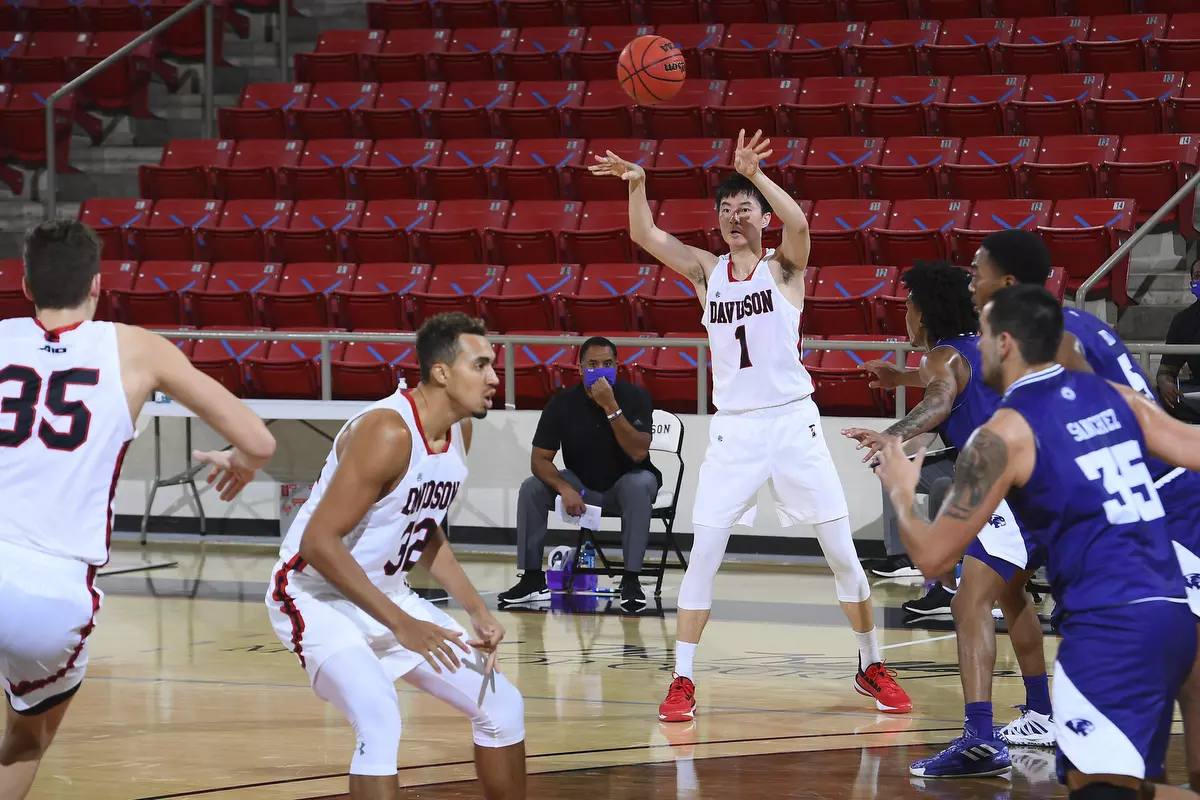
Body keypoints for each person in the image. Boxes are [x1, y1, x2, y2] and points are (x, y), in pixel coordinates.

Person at [588, 129, 911, 721]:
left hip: (792, 424)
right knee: (704, 551)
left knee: (843, 554)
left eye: (745, 209)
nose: (734, 218)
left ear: (762, 214)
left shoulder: (784, 268)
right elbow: (645, 234)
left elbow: (802, 227)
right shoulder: (706, 271)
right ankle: (682, 679)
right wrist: (637, 185)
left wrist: (758, 176)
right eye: (726, 210)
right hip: (734, 430)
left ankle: (869, 663)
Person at [874, 284, 1200, 800]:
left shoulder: (1002, 435)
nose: (970, 347)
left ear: (1005, 344)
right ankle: (1033, 715)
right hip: (1176, 610)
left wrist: (899, 493)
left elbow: (933, 556)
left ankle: (986, 733)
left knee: (1102, 790)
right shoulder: (1112, 399)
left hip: (1107, 626)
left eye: (979, 337)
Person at [0, 220, 276, 800]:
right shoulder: (134, 347)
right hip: (49, 587)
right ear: (97, 286)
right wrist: (241, 461)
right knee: (27, 737)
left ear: (24, 286)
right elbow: (259, 441)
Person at [265, 312, 526, 800]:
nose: (495, 377)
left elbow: (423, 528)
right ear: (441, 372)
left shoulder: (458, 431)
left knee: (503, 705)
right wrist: (403, 624)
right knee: (380, 714)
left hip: (383, 594)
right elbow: (317, 543)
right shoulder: (387, 431)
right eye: (482, 365)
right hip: (313, 595)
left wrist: (476, 609)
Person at [844, 260, 1036, 778]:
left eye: (907, 305)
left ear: (923, 311)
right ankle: (1041, 711)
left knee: (969, 604)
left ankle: (979, 739)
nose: (903, 314)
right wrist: (902, 375)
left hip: (1005, 490)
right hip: (1042, 486)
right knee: (1013, 595)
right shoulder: (980, 346)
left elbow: (938, 400)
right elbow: (952, 380)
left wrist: (892, 435)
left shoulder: (940, 357)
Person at [498, 336, 661, 611]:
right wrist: (564, 488)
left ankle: (631, 580)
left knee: (640, 483)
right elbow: (539, 460)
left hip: (626, 484)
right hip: (582, 485)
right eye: (593, 364)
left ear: (617, 365)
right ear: (580, 368)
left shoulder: (635, 397)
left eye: (607, 363)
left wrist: (611, 407)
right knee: (532, 488)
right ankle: (532, 580)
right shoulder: (562, 404)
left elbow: (639, 453)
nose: (601, 370)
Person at [1155, 261, 1200, 424]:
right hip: (1197, 392)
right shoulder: (1183, 320)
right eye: (1198, 276)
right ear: (1192, 283)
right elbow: (1166, 370)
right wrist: (1165, 384)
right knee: (1163, 399)